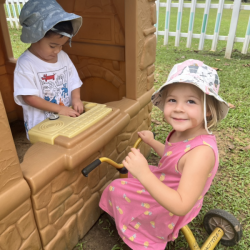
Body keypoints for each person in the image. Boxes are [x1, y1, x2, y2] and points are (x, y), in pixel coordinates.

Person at [99, 59, 229, 249]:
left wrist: (144, 172)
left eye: (190, 101)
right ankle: (127, 211)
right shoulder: (182, 132)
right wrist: (152, 142)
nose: (178, 108)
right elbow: (172, 157)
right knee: (131, 175)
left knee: (116, 188)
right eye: (172, 100)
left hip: (173, 205)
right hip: (168, 181)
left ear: (208, 110)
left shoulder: (201, 153)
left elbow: (181, 205)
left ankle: (141, 230)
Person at [14, 0, 84, 138]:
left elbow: (74, 81)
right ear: (35, 37)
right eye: (53, 46)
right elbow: (29, 97)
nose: (58, 50)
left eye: (61, 45)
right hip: (41, 127)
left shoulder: (63, 57)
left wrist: (76, 99)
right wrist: (59, 109)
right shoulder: (26, 64)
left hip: (66, 119)